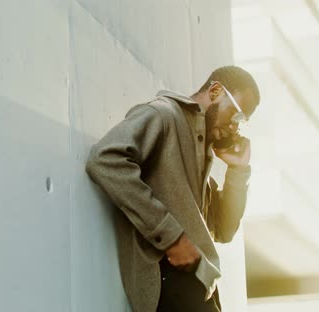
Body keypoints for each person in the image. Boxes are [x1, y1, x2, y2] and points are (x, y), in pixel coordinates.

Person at [85, 66, 260, 312]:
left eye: (242, 123)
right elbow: (104, 160)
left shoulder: (200, 155)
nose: (235, 128)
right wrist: (172, 238)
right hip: (170, 281)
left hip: (198, 285)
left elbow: (224, 229)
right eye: (237, 116)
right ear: (216, 90)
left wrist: (238, 172)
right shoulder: (164, 115)